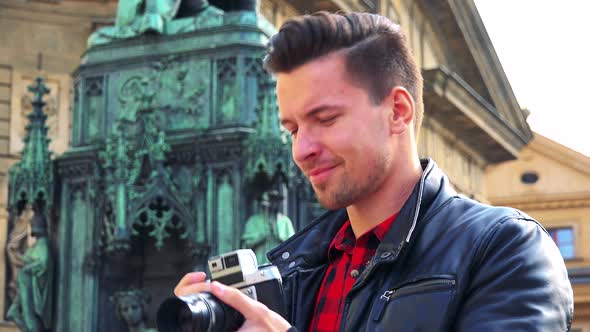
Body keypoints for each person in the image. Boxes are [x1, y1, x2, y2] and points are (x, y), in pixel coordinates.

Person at [174, 12, 573, 331]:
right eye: (292, 129)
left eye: (325, 119)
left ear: (398, 111)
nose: (302, 150)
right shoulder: (294, 273)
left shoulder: (505, 249)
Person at [241, 189, 295, 263]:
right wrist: (261, 237)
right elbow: (245, 246)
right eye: (270, 201)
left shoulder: (285, 221)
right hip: (260, 264)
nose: (272, 204)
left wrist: (280, 238)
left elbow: (294, 244)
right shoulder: (253, 221)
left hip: (281, 264)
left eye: (275, 201)